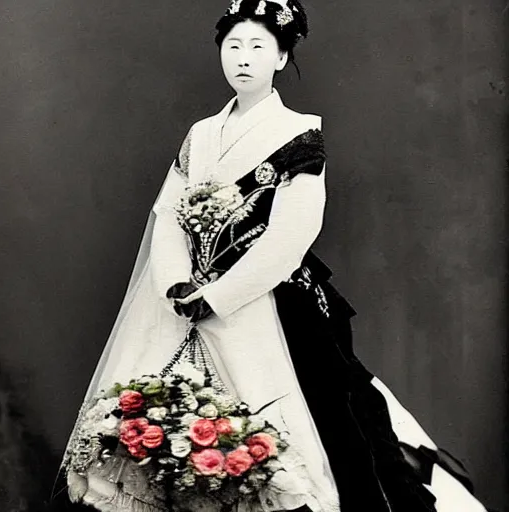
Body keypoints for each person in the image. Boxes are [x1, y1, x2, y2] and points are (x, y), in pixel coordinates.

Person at [52, 1, 491, 511]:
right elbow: (169, 213)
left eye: (258, 47)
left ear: (281, 58)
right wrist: (175, 284)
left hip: (262, 300)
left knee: (296, 441)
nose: (243, 58)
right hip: (180, 301)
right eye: (233, 45)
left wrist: (216, 296)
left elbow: (290, 237)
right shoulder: (201, 133)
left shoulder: (297, 133)